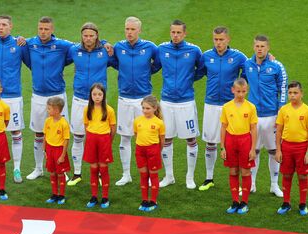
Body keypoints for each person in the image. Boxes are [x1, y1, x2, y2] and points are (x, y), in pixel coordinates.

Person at [112, 16, 160, 186]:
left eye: (132, 29)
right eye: (127, 29)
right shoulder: (118, 47)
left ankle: (147, 175)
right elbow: (114, 62)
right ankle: (126, 174)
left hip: (143, 99)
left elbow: (157, 64)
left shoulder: (150, 47)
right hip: (124, 98)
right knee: (125, 137)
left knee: (146, 138)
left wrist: (146, 72)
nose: (129, 32)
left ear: (139, 30)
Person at [156, 19, 205, 189]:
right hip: (167, 102)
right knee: (166, 138)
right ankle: (169, 176)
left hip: (186, 102)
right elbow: (154, 66)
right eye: (173, 32)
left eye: (179, 33)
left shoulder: (194, 50)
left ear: (184, 33)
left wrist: (189, 80)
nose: (175, 36)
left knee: (191, 139)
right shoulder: (162, 49)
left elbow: (202, 69)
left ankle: (189, 177)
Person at [198, 26, 247, 191]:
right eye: (216, 39)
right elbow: (199, 72)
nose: (218, 43)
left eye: (221, 40)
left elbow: (250, 69)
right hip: (211, 104)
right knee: (210, 141)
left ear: (228, 39)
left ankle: (238, 182)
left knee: (235, 144)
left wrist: (268, 57)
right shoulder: (206, 56)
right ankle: (209, 178)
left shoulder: (238, 56)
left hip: (230, 105)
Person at [24, 16, 73, 181]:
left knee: (61, 134)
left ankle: (62, 170)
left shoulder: (62, 45)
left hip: (57, 95)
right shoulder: (30, 44)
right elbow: (27, 59)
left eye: (46, 29)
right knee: (39, 133)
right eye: (40, 29)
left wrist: (104, 44)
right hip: (38, 95)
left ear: (52, 30)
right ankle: (38, 168)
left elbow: (83, 46)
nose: (43, 32)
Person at [67, 22, 115, 186]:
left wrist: (107, 43)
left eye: (91, 35)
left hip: (99, 102)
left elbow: (117, 62)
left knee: (100, 139)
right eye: (85, 35)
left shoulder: (105, 51)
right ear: (81, 36)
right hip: (80, 99)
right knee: (78, 136)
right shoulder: (74, 50)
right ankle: (77, 173)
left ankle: (101, 174)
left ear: (97, 36)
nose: (88, 38)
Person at [0, 15, 30, 184]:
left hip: (13, 96)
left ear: (11, 26)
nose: (0, 28)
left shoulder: (19, 45)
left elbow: (31, 62)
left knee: (15, 132)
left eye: (4, 25)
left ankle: (17, 168)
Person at [244, 35, 287, 197]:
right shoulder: (247, 64)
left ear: (268, 47)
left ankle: (274, 185)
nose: (259, 48)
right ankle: (252, 184)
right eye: (257, 46)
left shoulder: (277, 66)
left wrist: (281, 113)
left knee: (274, 150)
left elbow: (283, 89)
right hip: (253, 117)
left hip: (271, 116)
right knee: (253, 150)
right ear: (253, 47)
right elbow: (240, 83)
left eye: (262, 46)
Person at [275, 81, 308, 215]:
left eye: (295, 93)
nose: (292, 95)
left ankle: (302, 204)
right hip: (286, 147)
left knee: (302, 176)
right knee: (286, 174)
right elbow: (279, 131)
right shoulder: (284, 110)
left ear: (301, 94)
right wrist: (278, 150)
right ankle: (286, 203)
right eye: (290, 93)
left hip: (302, 148)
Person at [220, 78, 257, 214]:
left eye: (243, 91)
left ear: (247, 91)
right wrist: (222, 147)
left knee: (245, 171)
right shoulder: (226, 107)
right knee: (233, 171)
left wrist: (253, 148)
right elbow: (223, 127)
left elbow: (253, 129)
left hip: (245, 141)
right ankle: (235, 201)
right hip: (230, 141)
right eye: (238, 91)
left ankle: (244, 202)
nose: (241, 94)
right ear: (233, 90)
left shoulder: (251, 107)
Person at [83, 83, 116, 209]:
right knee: (93, 168)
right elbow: (86, 125)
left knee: (103, 168)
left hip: (104, 140)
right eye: (94, 94)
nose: (97, 97)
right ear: (91, 96)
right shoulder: (87, 109)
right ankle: (94, 196)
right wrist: (91, 137)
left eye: (100, 94)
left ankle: (105, 197)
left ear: (104, 95)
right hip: (92, 139)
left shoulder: (109, 110)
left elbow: (113, 128)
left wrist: (108, 141)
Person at [134, 95, 165, 212]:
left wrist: (157, 151)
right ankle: (144, 199)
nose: (145, 111)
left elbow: (162, 140)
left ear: (154, 108)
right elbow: (136, 134)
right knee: (143, 175)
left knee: (153, 175)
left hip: (153, 150)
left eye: (147, 108)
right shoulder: (137, 120)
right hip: (140, 150)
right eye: (143, 108)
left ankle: (153, 200)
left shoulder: (159, 123)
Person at [43, 97, 71, 204]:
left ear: (57, 110)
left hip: (59, 150)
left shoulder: (64, 123)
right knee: (52, 172)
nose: (47, 110)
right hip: (49, 150)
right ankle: (54, 194)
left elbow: (66, 140)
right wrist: (44, 151)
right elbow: (45, 136)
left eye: (49, 109)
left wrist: (63, 155)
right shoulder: (47, 121)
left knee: (60, 174)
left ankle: (61, 195)